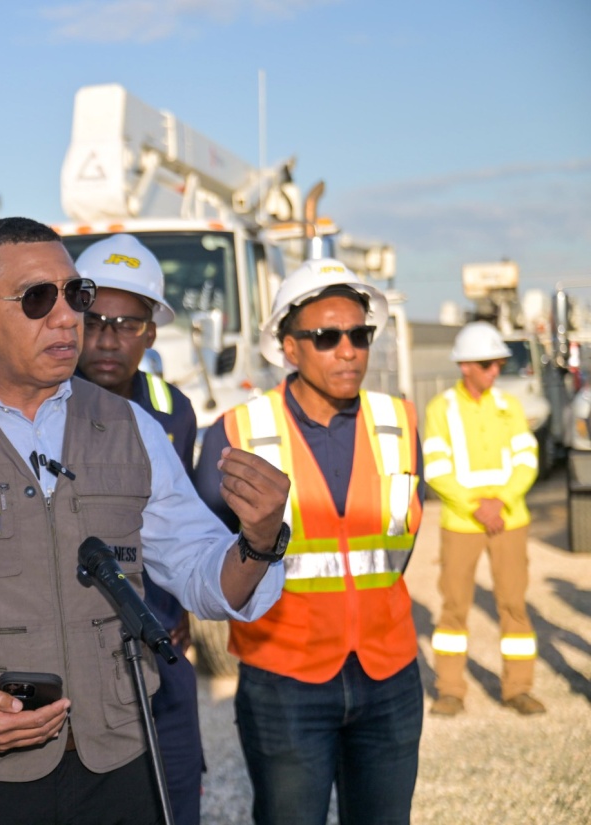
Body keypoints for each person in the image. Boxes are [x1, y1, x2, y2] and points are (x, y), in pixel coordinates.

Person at [0, 217, 290, 825]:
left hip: (118, 769)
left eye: (76, 296)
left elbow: (204, 577)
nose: (67, 318)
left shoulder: (131, 429)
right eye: (38, 298)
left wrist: (260, 539)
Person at [193, 258, 425, 825]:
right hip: (284, 682)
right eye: (326, 336)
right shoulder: (238, 433)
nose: (348, 349)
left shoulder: (401, 423)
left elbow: (398, 545)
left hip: (389, 673)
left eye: (359, 334)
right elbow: (203, 555)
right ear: (289, 348)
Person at [73, 233, 202, 825]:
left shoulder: (173, 410)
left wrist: (179, 615)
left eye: (126, 324)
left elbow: (177, 528)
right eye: (93, 318)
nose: (105, 338)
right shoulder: (41, 400)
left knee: (175, 800)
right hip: (79, 654)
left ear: (151, 332)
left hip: (161, 651)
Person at [423, 322, 542, 716]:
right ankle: (450, 690)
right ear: (466, 366)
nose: (495, 372)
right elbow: (437, 468)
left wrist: (500, 502)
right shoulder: (441, 408)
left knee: (513, 605)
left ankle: (518, 689)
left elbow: (527, 461)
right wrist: (476, 507)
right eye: (488, 364)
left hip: (509, 520)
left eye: (498, 364)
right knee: (454, 606)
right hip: (462, 523)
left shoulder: (510, 407)